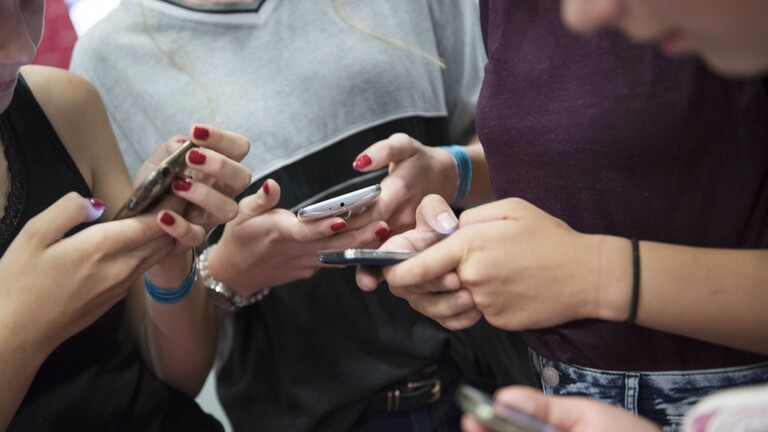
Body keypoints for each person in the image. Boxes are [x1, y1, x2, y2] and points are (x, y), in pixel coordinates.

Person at [69, 0, 534, 430]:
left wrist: (452, 171)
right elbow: (160, 363)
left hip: (501, 376)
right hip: (310, 413)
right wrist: (227, 275)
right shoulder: (105, 63)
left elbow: (527, 162)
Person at [355, 0, 768, 430]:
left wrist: (597, 274)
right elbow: (591, 149)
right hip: (554, 386)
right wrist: (456, 172)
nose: (580, 17)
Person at [0, 0, 252, 430]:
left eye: (28, 2)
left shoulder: (65, 107)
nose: (20, 47)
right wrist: (23, 328)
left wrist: (167, 258)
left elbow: (177, 377)